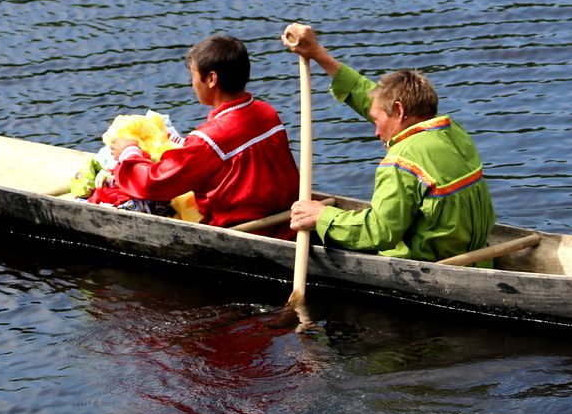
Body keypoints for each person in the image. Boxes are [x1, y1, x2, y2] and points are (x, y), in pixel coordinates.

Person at [282, 22, 495, 263]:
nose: (375, 132)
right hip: (479, 257)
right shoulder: (452, 131)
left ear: (399, 111)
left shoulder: (401, 161)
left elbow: (380, 233)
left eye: (377, 121)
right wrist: (317, 53)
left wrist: (322, 216)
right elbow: (371, 99)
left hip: (433, 263)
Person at [109, 34, 299, 228]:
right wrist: (183, 144)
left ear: (210, 79)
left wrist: (128, 153)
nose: (192, 84)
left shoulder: (208, 140)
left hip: (251, 229)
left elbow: (154, 184)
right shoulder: (267, 112)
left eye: (193, 75)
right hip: (286, 219)